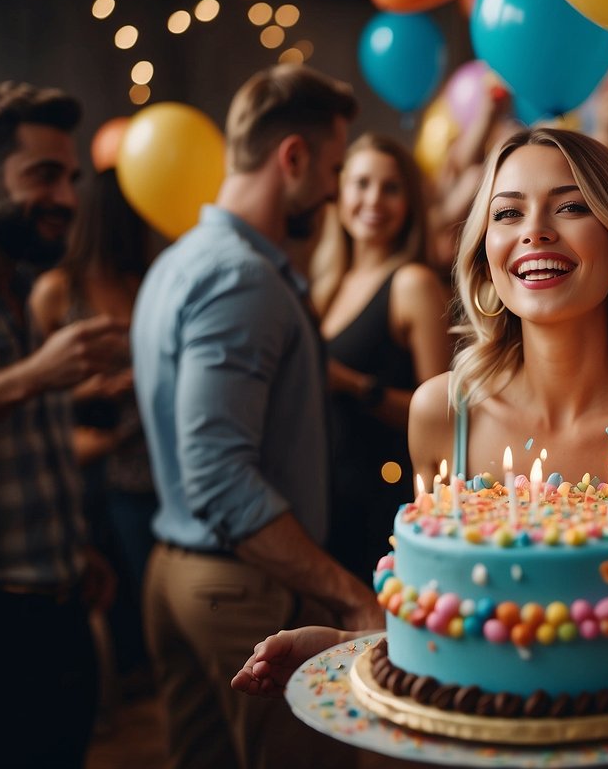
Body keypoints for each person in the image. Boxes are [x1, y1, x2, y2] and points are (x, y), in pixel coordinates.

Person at [233, 128, 608, 766]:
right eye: (508, 213)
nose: (534, 231)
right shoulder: (439, 412)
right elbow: (448, 621)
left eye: (570, 207)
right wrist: (345, 643)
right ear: (486, 253)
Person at [132, 64, 384, 769]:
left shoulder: (178, 259)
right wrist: (350, 595)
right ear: (293, 158)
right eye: (333, 168)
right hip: (234, 586)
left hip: (174, 568)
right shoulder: (241, 278)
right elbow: (218, 478)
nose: (335, 191)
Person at [0, 81, 122, 767]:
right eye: (42, 176)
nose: (66, 198)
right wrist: (38, 374)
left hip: (62, 600)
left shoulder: (21, 289)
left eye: (69, 177)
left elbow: (21, 439)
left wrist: (73, 549)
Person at [29, 168, 157, 690]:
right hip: (83, 456)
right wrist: (93, 391)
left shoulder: (141, 282)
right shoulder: (56, 290)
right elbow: (33, 390)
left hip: (144, 451)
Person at [310, 132, 451, 581]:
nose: (374, 199)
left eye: (390, 188)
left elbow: (445, 416)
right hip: (330, 505)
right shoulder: (330, 280)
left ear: (409, 203)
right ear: (339, 191)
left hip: (382, 505)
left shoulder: (412, 283)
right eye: (362, 183)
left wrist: (352, 385)